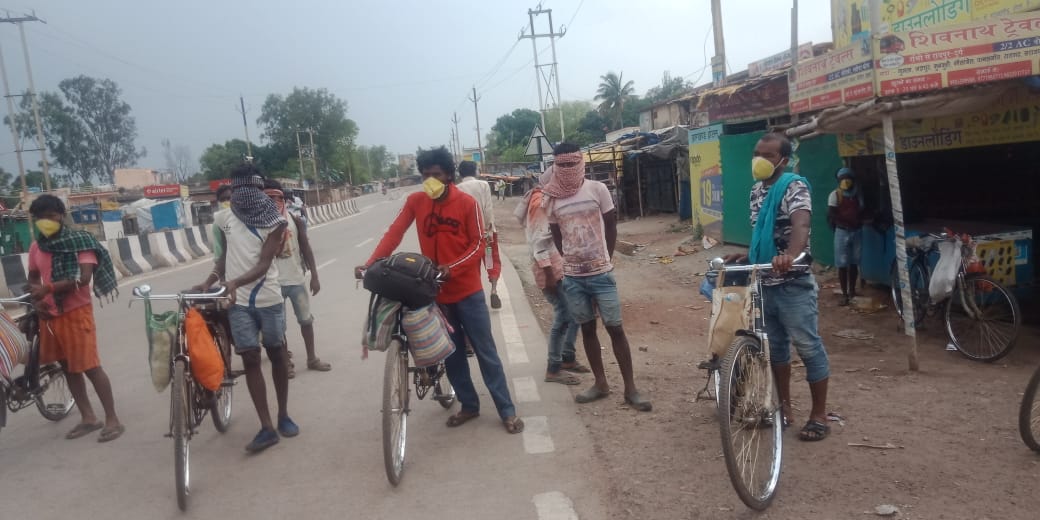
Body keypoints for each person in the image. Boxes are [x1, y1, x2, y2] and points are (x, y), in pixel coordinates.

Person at [356, 146, 524, 434]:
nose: (429, 180)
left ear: (449, 175)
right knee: (452, 353)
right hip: (435, 293)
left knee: (486, 352)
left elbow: (477, 245)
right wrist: (370, 263)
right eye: (425, 175)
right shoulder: (416, 201)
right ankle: (469, 405)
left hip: (468, 291)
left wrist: (452, 267)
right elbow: (394, 233)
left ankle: (507, 411)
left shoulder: (466, 203)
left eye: (435, 175)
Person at [730, 132, 830, 442]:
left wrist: (792, 255)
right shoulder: (756, 191)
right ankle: (784, 410)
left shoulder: (793, 186)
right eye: (757, 153)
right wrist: (747, 254)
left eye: (768, 155)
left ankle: (819, 415)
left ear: (783, 160)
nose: (759, 160)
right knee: (776, 351)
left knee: (808, 346)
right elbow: (764, 233)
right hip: (765, 284)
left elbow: (801, 224)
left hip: (792, 283)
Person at [194, 163, 296, 453]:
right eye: (237, 190)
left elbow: (264, 264)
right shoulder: (223, 219)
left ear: (258, 189)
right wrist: (210, 281)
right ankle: (266, 427)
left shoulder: (277, 222)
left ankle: (283, 415)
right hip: (237, 302)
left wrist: (234, 282)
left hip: (268, 298)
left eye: (248, 189)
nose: (242, 195)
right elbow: (224, 257)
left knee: (276, 352)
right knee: (250, 358)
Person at [545, 143, 652, 412]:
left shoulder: (597, 189)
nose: (567, 169)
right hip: (573, 278)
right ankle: (601, 383)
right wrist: (569, 260)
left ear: (580, 163)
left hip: (602, 274)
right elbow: (556, 235)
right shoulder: (552, 198)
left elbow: (611, 224)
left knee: (615, 328)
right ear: (555, 166)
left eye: (572, 164)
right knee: (587, 329)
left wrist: (607, 258)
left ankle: (631, 389)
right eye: (562, 165)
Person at [26, 194, 124, 442]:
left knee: (90, 366)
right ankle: (88, 417)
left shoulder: (80, 240)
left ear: (61, 215)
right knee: (68, 368)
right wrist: (38, 302)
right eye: (40, 218)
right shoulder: (37, 246)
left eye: (51, 216)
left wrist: (47, 290)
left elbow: (84, 279)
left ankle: (112, 419)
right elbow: (33, 277)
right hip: (50, 316)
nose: (46, 222)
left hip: (76, 312)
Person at [514, 172, 588, 385]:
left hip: (558, 266)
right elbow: (538, 244)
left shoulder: (547, 199)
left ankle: (567, 358)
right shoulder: (540, 202)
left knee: (574, 314)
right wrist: (549, 276)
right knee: (564, 314)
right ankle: (553, 368)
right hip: (549, 268)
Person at [263, 179, 330, 377]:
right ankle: (286, 363)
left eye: (278, 197)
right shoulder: (259, 224)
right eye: (269, 198)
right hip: (272, 284)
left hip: (296, 280)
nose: (274, 202)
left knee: (306, 321)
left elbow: (306, 249)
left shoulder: (294, 220)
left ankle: (312, 358)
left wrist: (314, 276)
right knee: (278, 328)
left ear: (284, 199)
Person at [455, 160, 503, 309]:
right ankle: (494, 289)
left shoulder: (456, 189)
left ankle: (476, 295)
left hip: (468, 237)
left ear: (460, 173)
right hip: (485, 234)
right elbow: (488, 208)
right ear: (475, 171)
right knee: (490, 261)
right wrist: (488, 230)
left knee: (471, 265)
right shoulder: (483, 185)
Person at [827, 167, 864, 306]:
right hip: (842, 231)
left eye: (848, 178)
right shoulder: (835, 195)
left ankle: (852, 291)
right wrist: (848, 221)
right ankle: (844, 294)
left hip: (856, 231)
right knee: (842, 264)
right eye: (843, 179)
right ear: (838, 180)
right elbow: (832, 214)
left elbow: (862, 211)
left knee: (854, 262)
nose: (845, 181)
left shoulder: (857, 195)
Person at [211, 184, 232, 260]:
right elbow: (218, 251)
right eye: (222, 200)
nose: (226, 201)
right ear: (218, 202)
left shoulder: (244, 218)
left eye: (229, 198)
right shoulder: (217, 224)